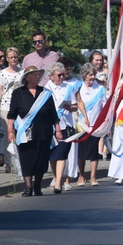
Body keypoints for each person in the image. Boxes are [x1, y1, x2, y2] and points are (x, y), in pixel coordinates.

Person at [7, 66, 61, 196]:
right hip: (25, 133)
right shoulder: (18, 93)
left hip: (44, 131)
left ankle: (37, 186)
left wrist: (58, 130)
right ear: (27, 77)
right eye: (34, 74)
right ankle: (27, 187)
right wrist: (10, 131)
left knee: (41, 159)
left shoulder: (46, 93)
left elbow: (53, 114)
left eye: (38, 74)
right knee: (26, 158)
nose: (37, 77)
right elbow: (12, 114)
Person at [45, 62, 87, 193]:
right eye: (59, 75)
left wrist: (69, 107)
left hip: (66, 124)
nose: (62, 77)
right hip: (50, 125)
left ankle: (58, 184)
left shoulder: (69, 87)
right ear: (51, 76)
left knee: (62, 153)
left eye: (63, 74)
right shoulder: (46, 88)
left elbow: (76, 105)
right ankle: (55, 177)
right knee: (53, 155)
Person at [76, 63, 107, 186]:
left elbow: (105, 107)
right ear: (84, 75)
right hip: (81, 124)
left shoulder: (100, 89)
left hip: (95, 125)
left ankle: (93, 177)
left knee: (94, 151)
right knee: (81, 152)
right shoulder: (78, 88)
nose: (92, 77)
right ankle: (81, 176)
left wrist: (105, 123)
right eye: (90, 75)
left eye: (93, 74)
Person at [0, 47, 22, 174]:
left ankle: (19, 161)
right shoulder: (2, 73)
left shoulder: (22, 72)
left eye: (15, 57)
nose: (13, 59)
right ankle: (8, 162)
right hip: (6, 106)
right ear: (7, 58)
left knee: (19, 135)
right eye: (11, 57)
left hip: (20, 107)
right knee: (7, 135)